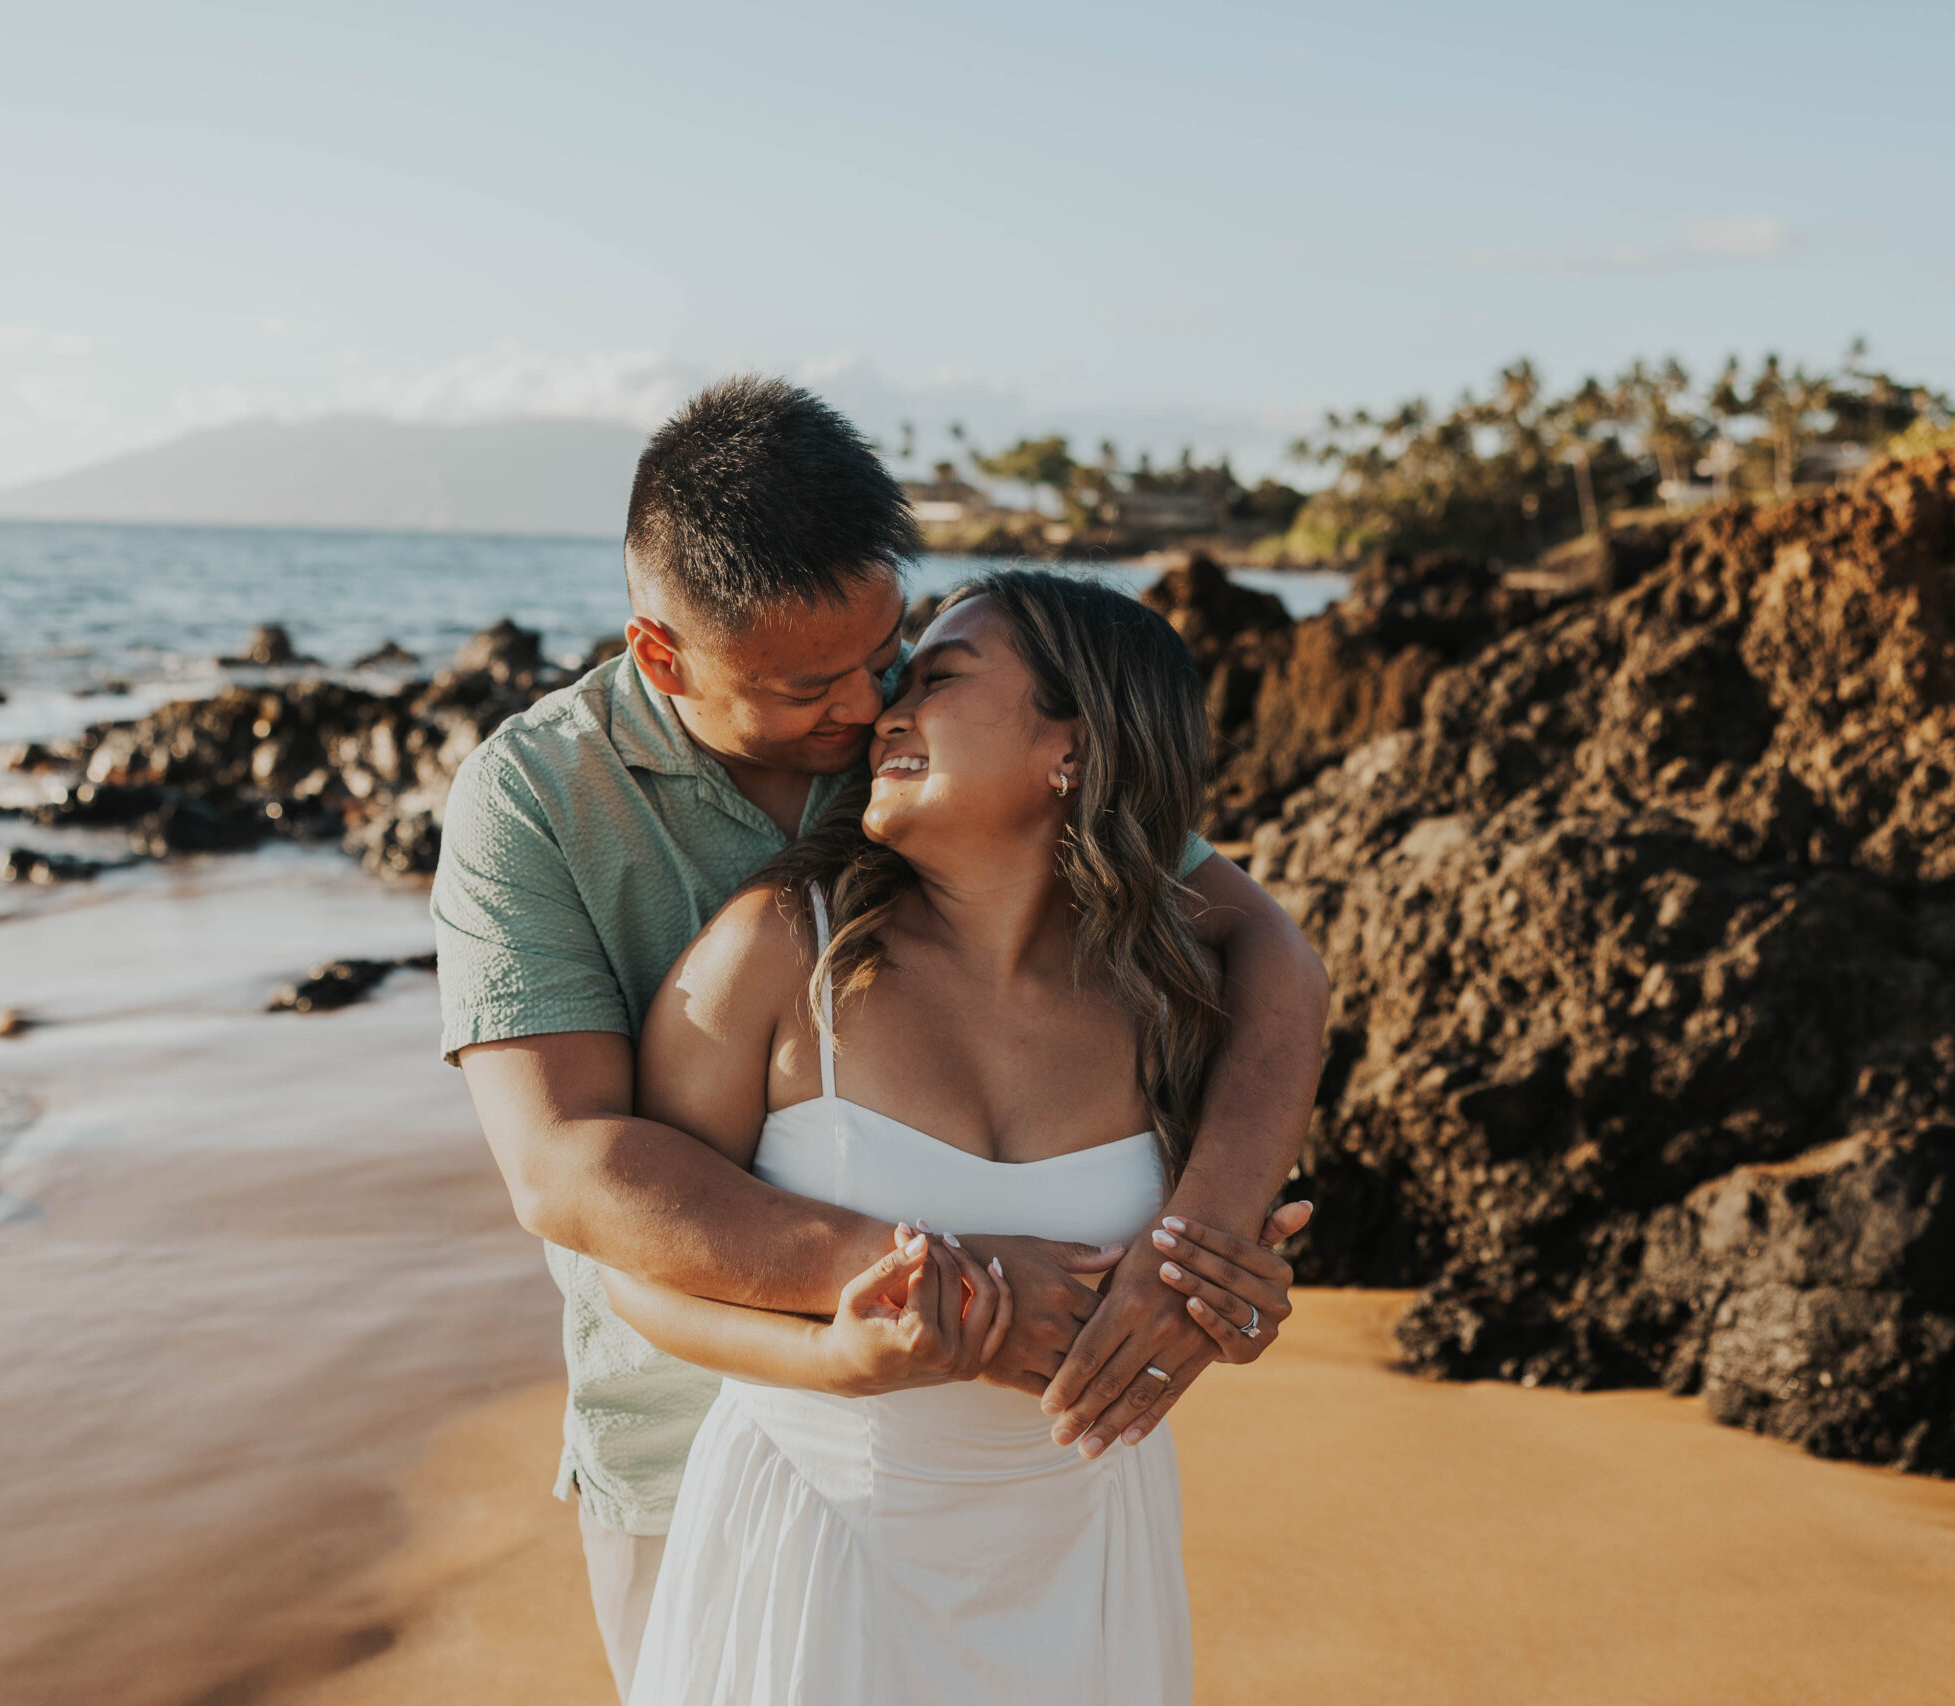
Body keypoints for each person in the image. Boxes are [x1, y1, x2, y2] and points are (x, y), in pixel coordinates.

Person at [432, 377, 1327, 1698]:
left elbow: (1271, 953)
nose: (865, 706)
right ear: (665, 655)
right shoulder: (539, 799)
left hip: (1053, 1507)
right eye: (813, 684)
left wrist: (1203, 1253)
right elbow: (564, 1168)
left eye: (889, 649)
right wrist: (948, 1290)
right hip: (697, 1449)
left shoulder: (939, 751)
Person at [611, 569, 1313, 1703]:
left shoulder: (1176, 1002)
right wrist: (831, 1359)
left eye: (937, 679)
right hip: (815, 1538)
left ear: (1070, 748)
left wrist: (1225, 1298)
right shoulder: (780, 950)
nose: (885, 709)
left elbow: (1199, 1265)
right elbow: (632, 1273)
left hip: (1084, 1550)